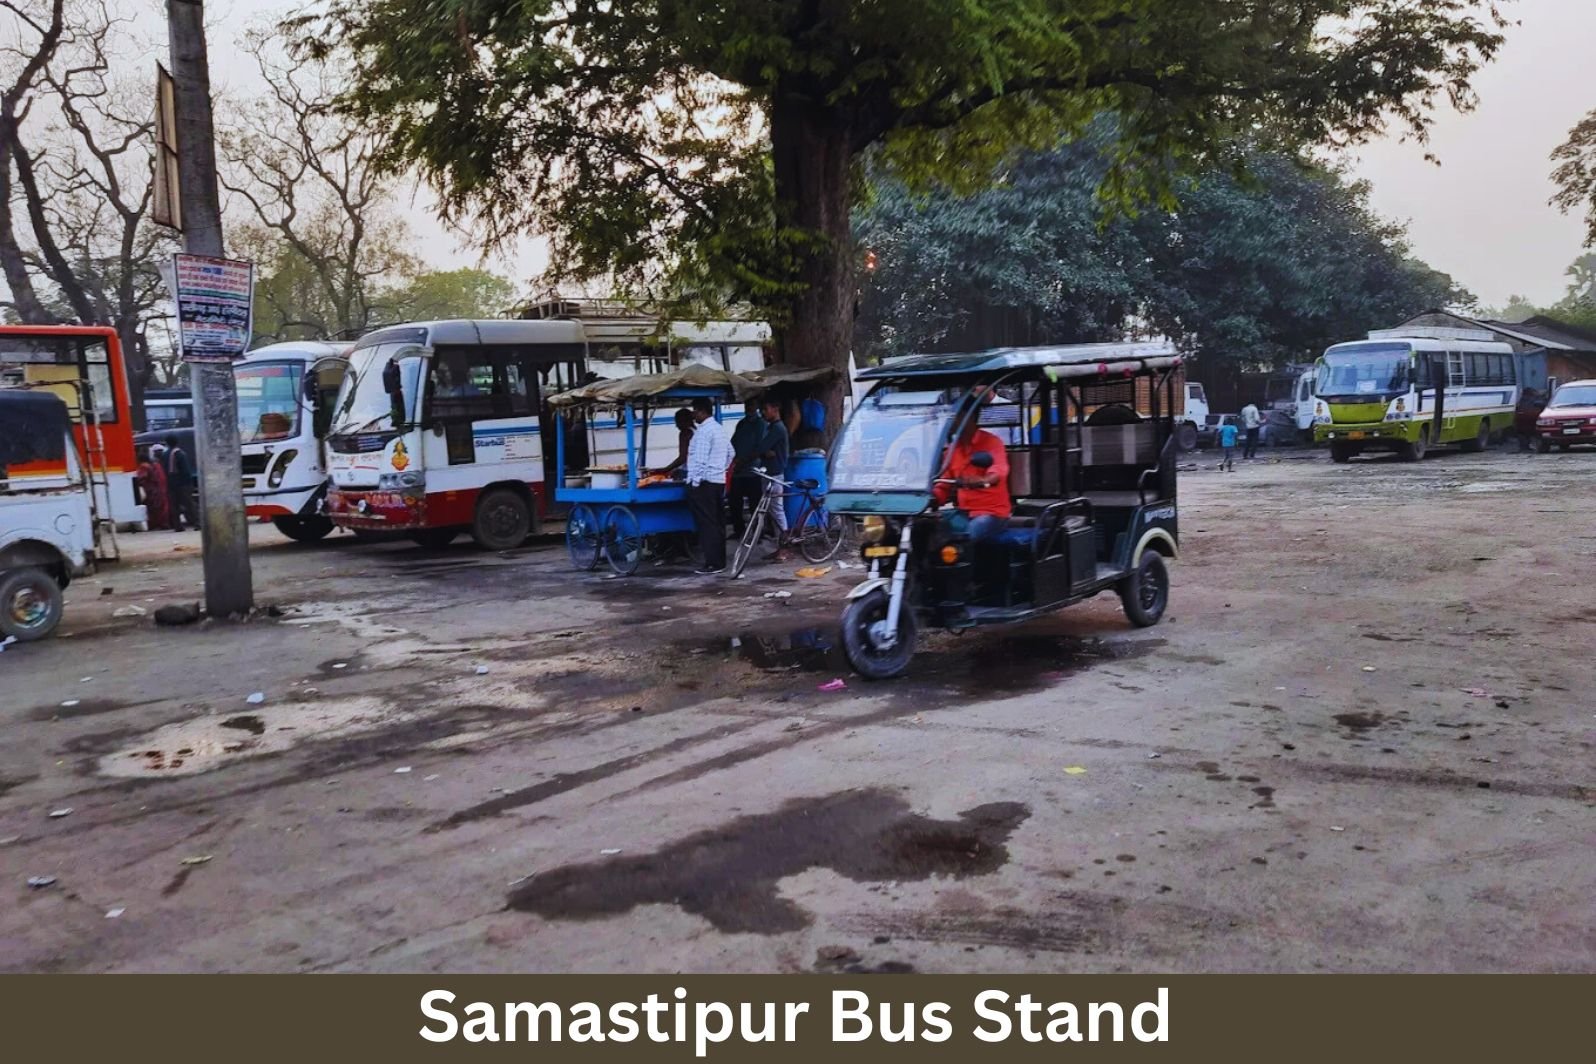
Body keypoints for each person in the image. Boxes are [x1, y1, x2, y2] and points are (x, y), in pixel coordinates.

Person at [932, 405, 1011, 542]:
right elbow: (943, 485)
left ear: (969, 418)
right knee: (926, 526)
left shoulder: (992, 443)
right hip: (963, 512)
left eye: (955, 417)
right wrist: (930, 499)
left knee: (967, 534)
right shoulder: (952, 449)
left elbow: (997, 474)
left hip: (992, 514)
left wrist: (979, 481)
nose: (951, 421)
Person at [685, 396, 732, 574]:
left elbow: (700, 461)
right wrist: (721, 470)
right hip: (718, 481)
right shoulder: (719, 429)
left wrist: (695, 482)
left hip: (704, 484)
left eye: (694, 411)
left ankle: (713, 563)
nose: (693, 415)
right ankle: (720, 561)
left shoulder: (704, 432)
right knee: (718, 522)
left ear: (701, 411)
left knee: (707, 525)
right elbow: (731, 453)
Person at [756, 397, 792, 561]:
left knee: (777, 511)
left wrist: (765, 452)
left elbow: (761, 447)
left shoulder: (778, 428)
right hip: (769, 473)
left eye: (765, 409)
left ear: (775, 408)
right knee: (773, 512)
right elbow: (764, 449)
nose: (763, 412)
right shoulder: (771, 427)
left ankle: (784, 549)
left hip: (775, 474)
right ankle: (780, 547)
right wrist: (765, 452)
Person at [728, 406, 765, 536]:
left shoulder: (761, 424)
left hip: (753, 470)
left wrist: (743, 461)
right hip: (738, 470)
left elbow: (760, 448)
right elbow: (733, 443)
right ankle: (739, 530)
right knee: (734, 502)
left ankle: (757, 533)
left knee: (755, 504)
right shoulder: (742, 423)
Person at [165, 439, 199, 532]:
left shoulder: (165, 455)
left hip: (171, 484)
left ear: (167, 443)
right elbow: (186, 470)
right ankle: (197, 523)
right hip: (183, 483)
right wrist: (189, 483)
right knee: (189, 504)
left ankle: (178, 526)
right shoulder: (180, 454)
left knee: (174, 506)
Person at [135, 444, 171, 531]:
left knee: (152, 509)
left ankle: (155, 524)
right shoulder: (155, 465)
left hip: (151, 491)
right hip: (159, 489)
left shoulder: (144, 467)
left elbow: (141, 479)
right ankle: (164, 523)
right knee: (161, 508)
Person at [652, 409, 696, 478]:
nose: (676, 425)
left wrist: (665, 469)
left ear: (683, 421)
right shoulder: (696, 431)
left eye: (677, 422)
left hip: (689, 471)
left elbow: (682, 458)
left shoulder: (685, 433)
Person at [1515, 387, 1545, 453]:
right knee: (1526, 433)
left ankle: (1525, 446)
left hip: (1525, 420)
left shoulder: (1523, 399)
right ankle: (1526, 446)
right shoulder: (1531, 399)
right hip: (1528, 420)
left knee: (1523, 433)